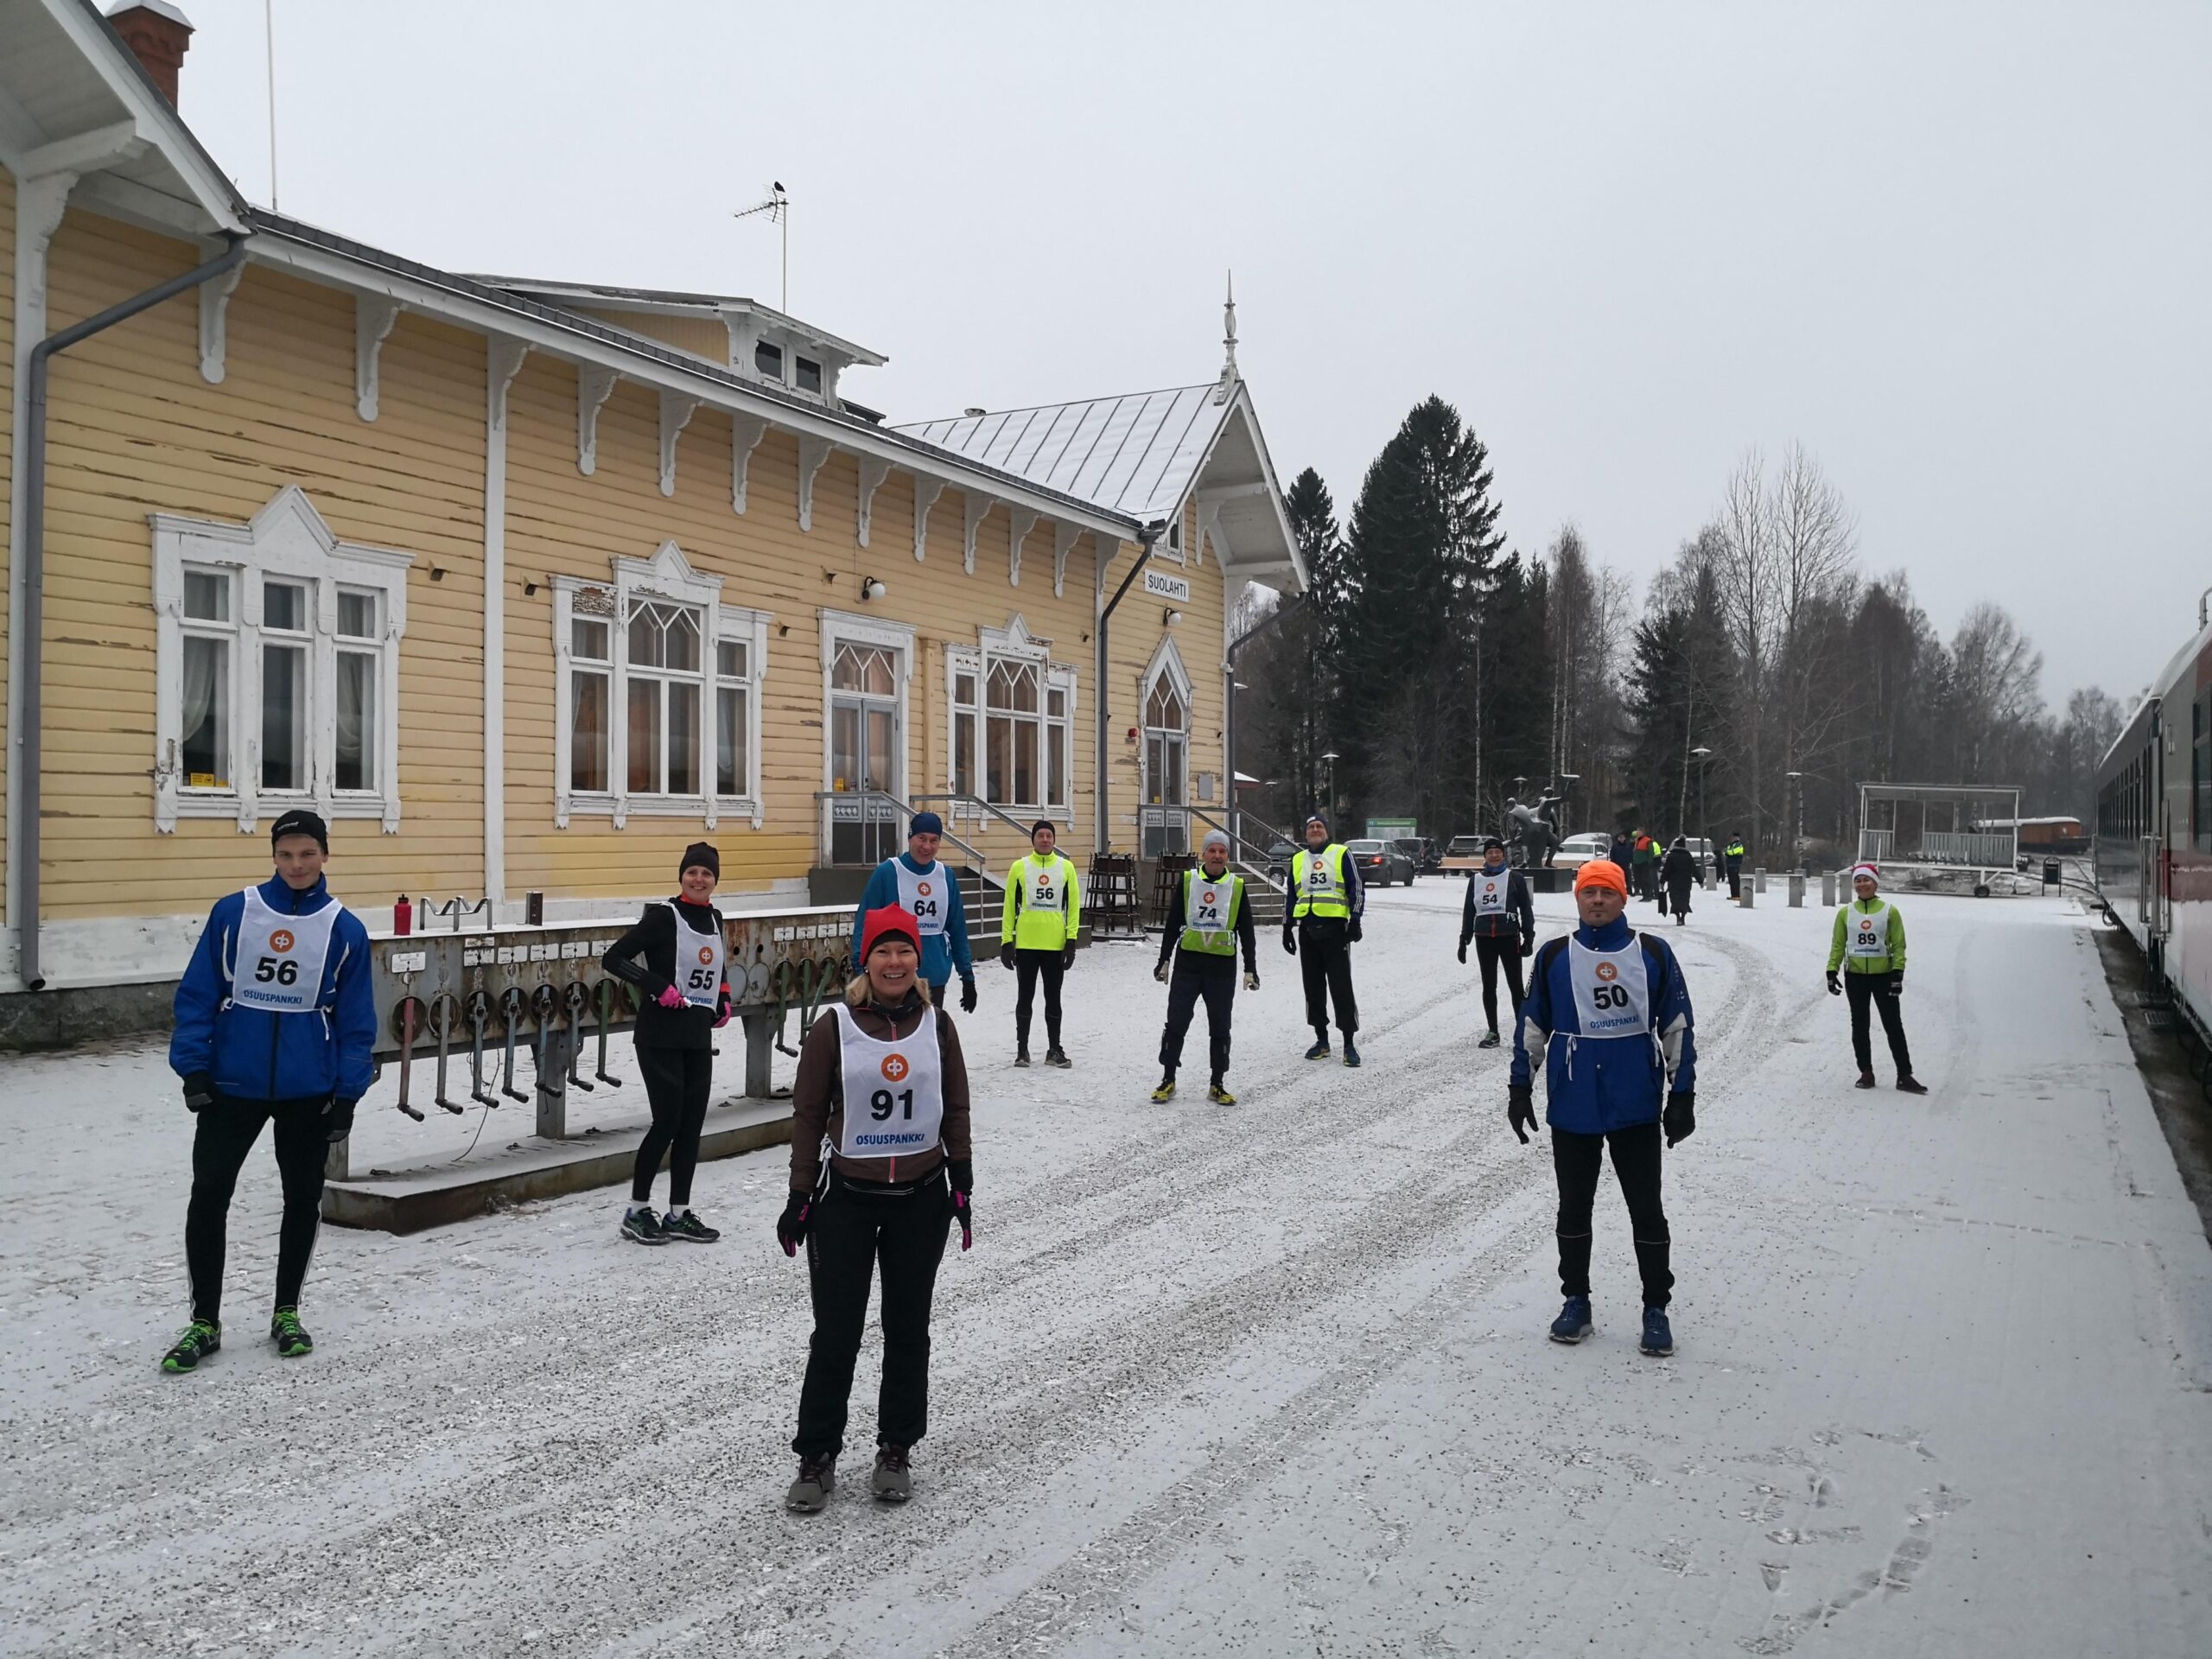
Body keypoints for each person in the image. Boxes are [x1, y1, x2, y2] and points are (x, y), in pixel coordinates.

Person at [163, 809, 374, 1373]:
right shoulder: (236, 912)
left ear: (324, 856)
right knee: (209, 1195)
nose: (297, 865)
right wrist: (193, 1069)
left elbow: (357, 1022)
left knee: (302, 1199)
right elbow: (198, 994)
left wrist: (348, 1095)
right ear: (274, 857)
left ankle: (286, 1311)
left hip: (308, 1089)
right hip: (233, 1084)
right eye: (286, 855)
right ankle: (204, 1321)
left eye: (308, 854)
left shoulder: (345, 930)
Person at [778, 904, 972, 1512]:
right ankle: (817, 1456)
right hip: (849, 1202)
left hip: (920, 1198)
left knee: (908, 1331)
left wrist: (961, 1185)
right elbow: (809, 1114)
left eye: (904, 951)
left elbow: (956, 1109)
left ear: (919, 960)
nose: (894, 962)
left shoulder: (938, 1026)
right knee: (835, 1334)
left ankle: (896, 1448)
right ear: (867, 960)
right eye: (884, 952)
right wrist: (799, 1195)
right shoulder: (835, 1025)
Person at [1508, 856, 1697, 1358]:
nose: (1597, 901)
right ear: (1577, 898)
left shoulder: (1651, 952)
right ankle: (1576, 1301)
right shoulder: (1552, 956)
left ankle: (1656, 1308)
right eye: (1589, 892)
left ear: (1622, 898)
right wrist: (1519, 1087)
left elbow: (1677, 1026)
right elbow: (1531, 1026)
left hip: (1634, 1102)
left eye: (1607, 893)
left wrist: (1683, 1095)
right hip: (1574, 1105)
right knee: (1574, 1208)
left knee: (1646, 1211)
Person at [602, 842, 734, 1244]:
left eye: (706, 874)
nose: (699, 879)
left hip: (696, 1034)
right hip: (659, 1035)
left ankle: (679, 1212)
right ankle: (637, 1210)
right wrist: (657, 986)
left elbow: (717, 963)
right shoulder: (663, 917)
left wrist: (724, 996)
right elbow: (614, 958)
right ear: (682, 877)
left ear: (715, 881)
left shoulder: (715, 917)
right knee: (667, 1122)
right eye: (692, 872)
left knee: (692, 1126)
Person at [1151, 828, 1261, 1103]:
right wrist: (1164, 960)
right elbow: (1173, 922)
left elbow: (1246, 929)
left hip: (1222, 967)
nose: (1217, 855)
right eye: (1212, 850)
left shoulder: (1236, 886)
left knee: (1220, 1027)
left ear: (1227, 856)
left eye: (1222, 851)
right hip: (1189, 964)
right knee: (1176, 1022)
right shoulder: (1188, 881)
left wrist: (1251, 967)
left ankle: (1217, 1083)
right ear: (1203, 854)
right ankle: (1168, 1079)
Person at [851, 812, 976, 1014]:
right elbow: (865, 924)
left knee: (928, 1038)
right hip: (894, 976)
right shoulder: (888, 872)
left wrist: (967, 976)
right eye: (922, 838)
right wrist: (860, 969)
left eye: (934, 840)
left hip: (934, 977)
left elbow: (957, 929)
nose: (927, 846)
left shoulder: (946, 876)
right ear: (910, 838)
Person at [1826, 862, 1926, 1093]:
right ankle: (1866, 1072)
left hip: (1883, 976)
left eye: (1866, 880)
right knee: (1860, 1026)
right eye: (1858, 881)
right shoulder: (1845, 913)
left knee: (1893, 1026)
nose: (1862, 885)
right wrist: (1832, 971)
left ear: (1875, 883)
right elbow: (1838, 944)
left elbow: (1899, 945)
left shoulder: (1889, 911)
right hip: (1856, 977)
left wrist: (1898, 972)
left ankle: (1904, 1075)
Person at [1283, 812, 1364, 1066]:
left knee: (1341, 987)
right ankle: (1322, 1039)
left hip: (1335, 930)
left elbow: (1357, 887)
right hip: (1307, 930)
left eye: (1319, 826)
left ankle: (1349, 1043)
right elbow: (1291, 895)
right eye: (1311, 827)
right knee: (1313, 988)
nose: (1315, 830)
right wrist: (1287, 927)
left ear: (1326, 831)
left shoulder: (1341, 853)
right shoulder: (1297, 859)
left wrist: (1356, 919)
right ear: (1305, 834)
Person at [999, 819, 1081, 1068]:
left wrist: (1071, 940)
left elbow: (1074, 907)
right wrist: (1006, 941)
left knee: (1053, 998)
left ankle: (1054, 1049)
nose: (1045, 840)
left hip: (1055, 945)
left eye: (1049, 836)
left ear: (1054, 840)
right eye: (1040, 836)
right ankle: (1022, 1050)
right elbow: (1009, 906)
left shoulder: (1066, 868)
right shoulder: (1019, 867)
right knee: (1025, 997)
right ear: (1033, 839)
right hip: (1026, 944)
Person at [1457, 836, 1535, 1048]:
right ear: (1485, 856)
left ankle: (1521, 1032)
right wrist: (1464, 939)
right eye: (1490, 852)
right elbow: (1469, 909)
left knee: (1515, 986)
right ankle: (1493, 1031)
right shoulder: (1476, 880)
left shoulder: (1515, 878)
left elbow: (1526, 909)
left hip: (1509, 937)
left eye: (1497, 852)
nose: (1494, 855)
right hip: (1484, 939)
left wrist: (1529, 935)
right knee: (1488, 986)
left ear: (1503, 854)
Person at [1661, 836, 1697, 925]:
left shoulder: (1671, 856)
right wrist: (1700, 880)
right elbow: (1694, 869)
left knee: (1675, 899)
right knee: (1685, 898)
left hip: (1674, 881)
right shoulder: (1688, 856)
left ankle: (1678, 917)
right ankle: (1683, 916)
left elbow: (1666, 870)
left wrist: (1662, 881)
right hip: (1686, 881)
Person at [1632, 829, 1659, 902]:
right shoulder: (1637, 840)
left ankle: (1648, 895)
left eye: (1639, 832)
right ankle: (1645, 895)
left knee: (1646, 880)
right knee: (1641, 880)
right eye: (1637, 832)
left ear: (1643, 833)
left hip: (1644, 863)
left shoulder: (1647, 841)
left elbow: (1651, 852)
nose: (1637, 833)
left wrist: (1649, 862)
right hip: (1637, 863)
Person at [1724, 834, 1747, 901]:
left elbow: (1733, 852)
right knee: (1731, 881)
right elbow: (1725, 851)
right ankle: (1733, 895)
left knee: (1735, 881)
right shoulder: (1731, 845)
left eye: (1733, 837)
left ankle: (1737, 895)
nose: (1732, 838)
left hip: (1735, 865)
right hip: (1729, 864)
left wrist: (1728, 852)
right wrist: (1727, 852)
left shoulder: (1739, 845)